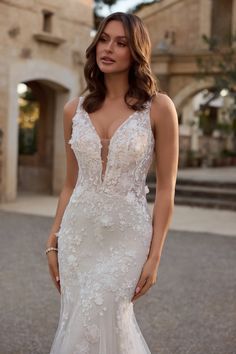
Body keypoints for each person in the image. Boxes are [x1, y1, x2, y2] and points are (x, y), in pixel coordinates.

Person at [46, 11, 179, 354]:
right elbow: (69, 184)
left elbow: (166, 190)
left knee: (110, 315)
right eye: (104, 39)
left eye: (121, 43)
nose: (108, 48)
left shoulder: (159, 108)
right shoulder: (73, 110)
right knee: (79, 321)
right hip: (79, 235)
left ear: (136, 52)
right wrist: (53, 236)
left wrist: (155, 256)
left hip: (127, 237)